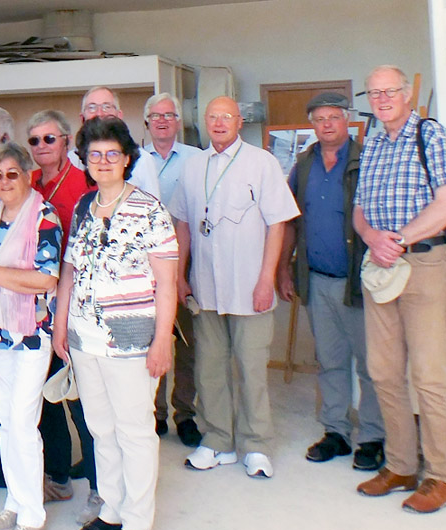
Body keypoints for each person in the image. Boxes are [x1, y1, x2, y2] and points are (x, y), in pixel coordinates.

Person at [53, 117, 178, 530]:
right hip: (86, 339)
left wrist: (162, 341)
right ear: (86, 161)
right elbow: (69, 269)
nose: (103, 162)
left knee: (135, 432)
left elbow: (167, 283)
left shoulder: (149, 209)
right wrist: (60, 323)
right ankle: (111, 508)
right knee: (100, 430)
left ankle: (138, 524)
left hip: (132, 341)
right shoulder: (85, 206)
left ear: (127, 159)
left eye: (112, 154)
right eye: (95, 155)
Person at [168, 97, 299, 479]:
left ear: (240, 122)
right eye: (213, 117)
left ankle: (256, 445)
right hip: (205, 287)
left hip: (250, 286)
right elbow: (184, 225)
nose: (220, 122)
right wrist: (179, 276)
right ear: (204, 122)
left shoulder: (262, 163)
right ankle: (217, 441)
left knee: (252, 369)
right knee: (209, 368)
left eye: (227, 116)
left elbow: (278, 224)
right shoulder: (193, 167)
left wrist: (267, 279)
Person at [353, 65, 446, 513]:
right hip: (380, 267)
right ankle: (400, 465)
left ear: (407, 93)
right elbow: (359, 210)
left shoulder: (432, 136)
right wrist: (373, 238)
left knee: (430, 376)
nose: (382, 98)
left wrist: (398, 239)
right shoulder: (372, 140)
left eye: (389, 90)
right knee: (383, 371)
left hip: (423, 264)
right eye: (374, 93)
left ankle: (443, 476)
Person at [277, 92, 385, 470]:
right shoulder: (303, 164)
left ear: (346, 121)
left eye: (333, 117)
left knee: (372, 366)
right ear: (312, 123)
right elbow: (292, 220)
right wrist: (284, 267)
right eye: (319, 118)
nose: (326, 124)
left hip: (361, 282)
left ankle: (373, 437)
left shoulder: (368, 158)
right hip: (318, 281)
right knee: (331, 361)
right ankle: (336, 431)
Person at [0, 142, 62, 530]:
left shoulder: (44, 216)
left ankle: (33, 513)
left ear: (28, 175)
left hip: (31, 334)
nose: (4, 182)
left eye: (12, 174)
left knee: (23, 423)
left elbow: (46, 280)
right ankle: (15, 500)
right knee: (6, 423)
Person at [27, 110, 90, 507]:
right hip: (38, 307)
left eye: (49, 139)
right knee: (46, 395)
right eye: (33, 141)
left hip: (79, 302)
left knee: (83, 402)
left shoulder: (85, 184)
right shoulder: (29, 184)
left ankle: (102, 489)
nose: (41, 147)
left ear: (66, 141)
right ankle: (59, 475)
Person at [142, 93, 203, 446]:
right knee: (155, 338)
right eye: (156, 115)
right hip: (145, 265)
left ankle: (186, 413)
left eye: (170, 114)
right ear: (146, 123)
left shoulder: (196, 159)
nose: (163, 120)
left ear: (178, 122)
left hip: (188, 262)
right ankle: (156, 413)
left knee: (189, 343)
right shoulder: (134, 159)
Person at [74, 87, 160, 195]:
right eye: (92, 107)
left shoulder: (143, 159)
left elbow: (153, 204)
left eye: (107, 107)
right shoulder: (72, 158)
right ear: (82, 118)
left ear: (119, 115)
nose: (99, 113)